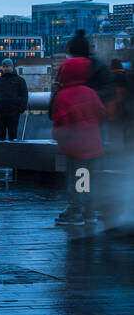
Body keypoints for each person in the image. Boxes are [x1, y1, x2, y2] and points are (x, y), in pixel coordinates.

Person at [51, 55, 107, 225]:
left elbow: (60, 122)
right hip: (92, 143)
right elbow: (102, 114)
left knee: (76, 178)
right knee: (87, 178)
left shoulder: (63, 96)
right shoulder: (91, 93)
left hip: (75, 146)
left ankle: (76, 211)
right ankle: (89, 211)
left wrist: (59, 137)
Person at [0, 58, 29, 141]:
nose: (5, 68)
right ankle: (2, 153)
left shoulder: (20, 80)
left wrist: (21, 109)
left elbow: (24, 95)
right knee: (0, 134)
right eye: (4, 66)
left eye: (7, 66)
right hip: (0, 111)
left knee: (13, 134)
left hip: (13, 111)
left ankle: (10, 153)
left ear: (12, 67)